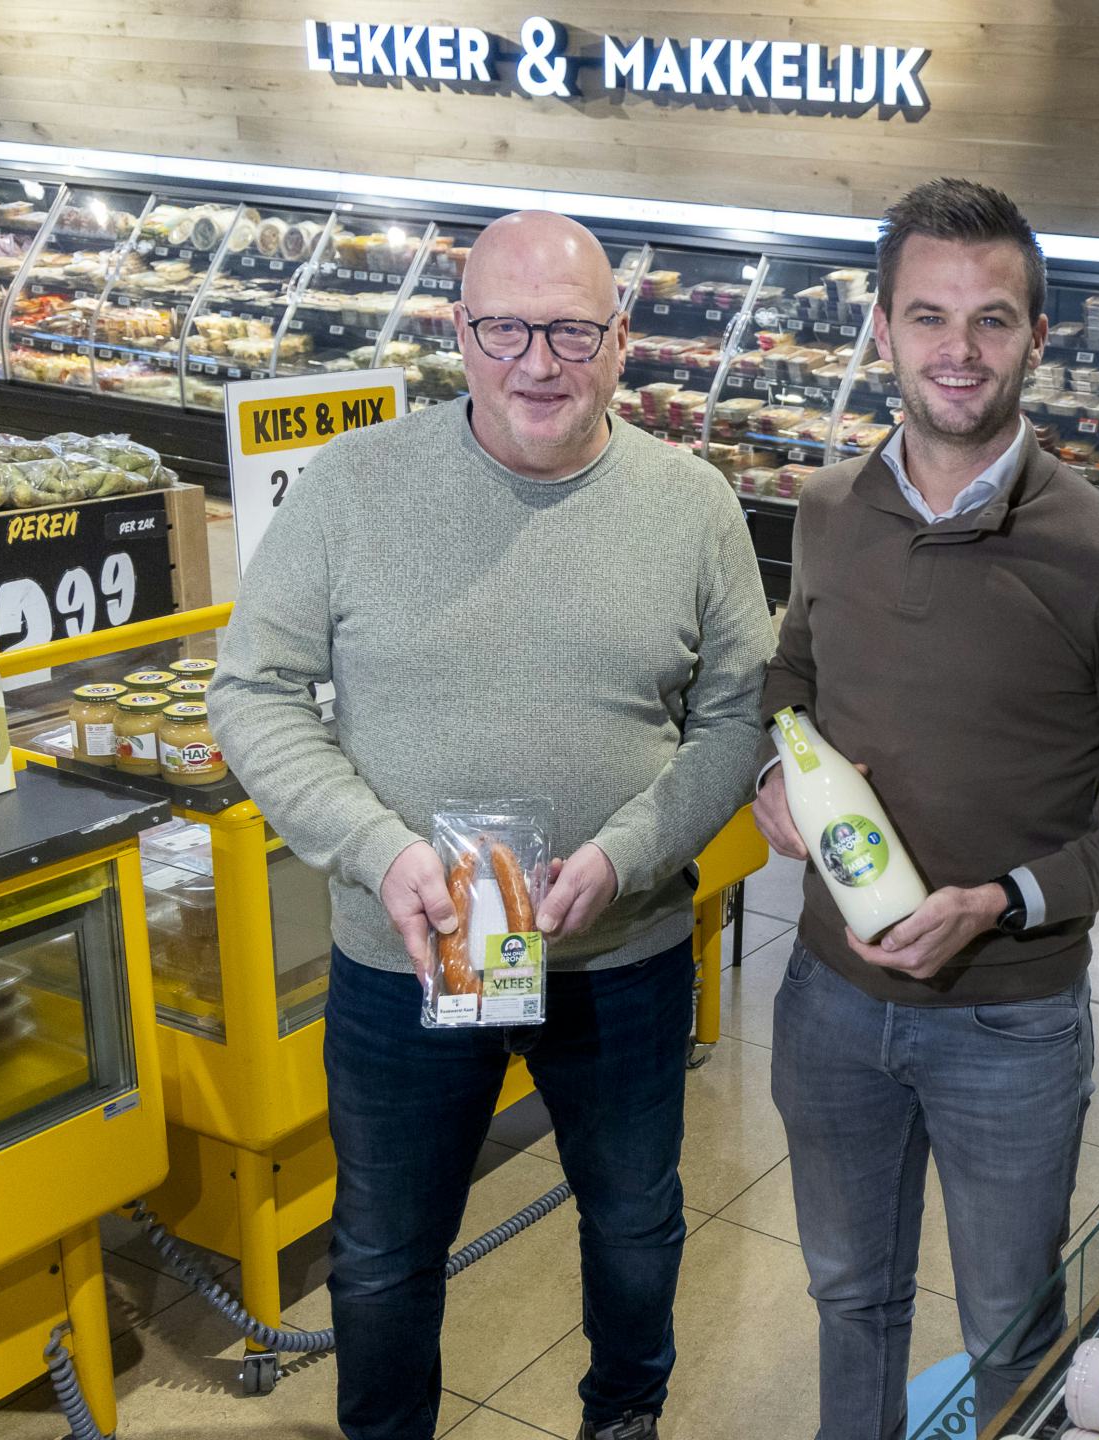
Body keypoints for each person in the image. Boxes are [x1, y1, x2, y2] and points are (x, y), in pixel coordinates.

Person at [210, 210, 774, 1440]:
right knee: (381, 1254)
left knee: (634, 1224)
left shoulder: (692, 506)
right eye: (504, 328)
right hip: (403, 958)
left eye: (572, 330)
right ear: (455, 332)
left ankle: (622, 1419)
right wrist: (379, 850)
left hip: (618, 960)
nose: (537, 361)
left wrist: (631, 851)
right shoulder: (355, 488)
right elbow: (249, 690)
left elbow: (741, 714)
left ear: (621, 341)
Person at [753, 178, 1099, 1437]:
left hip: (1008, 1027)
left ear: (1036, 336)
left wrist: (1004, 901)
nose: (956, 350)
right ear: (879, 329)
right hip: (827, 998)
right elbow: (793, 674)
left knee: (1011, 1328)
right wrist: (770, 774)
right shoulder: (825, 511)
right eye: (927, 316)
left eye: (991, 319)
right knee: (850, 1291)